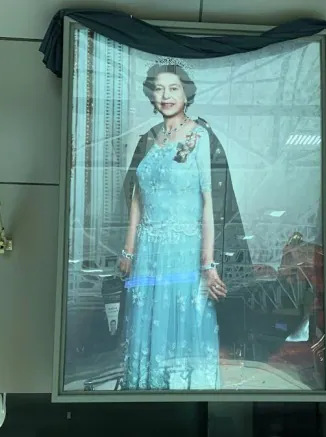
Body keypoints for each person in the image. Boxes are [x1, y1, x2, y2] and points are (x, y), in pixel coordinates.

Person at [117, 59, 250, 390]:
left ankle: (181, 391)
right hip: (148, 251)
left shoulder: (200, 136)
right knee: (148, 320)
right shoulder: (148, 139)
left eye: (173, 88)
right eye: (159, 89)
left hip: (183, 251)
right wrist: (129, 251)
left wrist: (208, 262)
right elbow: (137, 199)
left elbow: (209, 203)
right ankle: (144, 387)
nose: (166, 95)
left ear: (186, 94)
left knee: (181, 319)